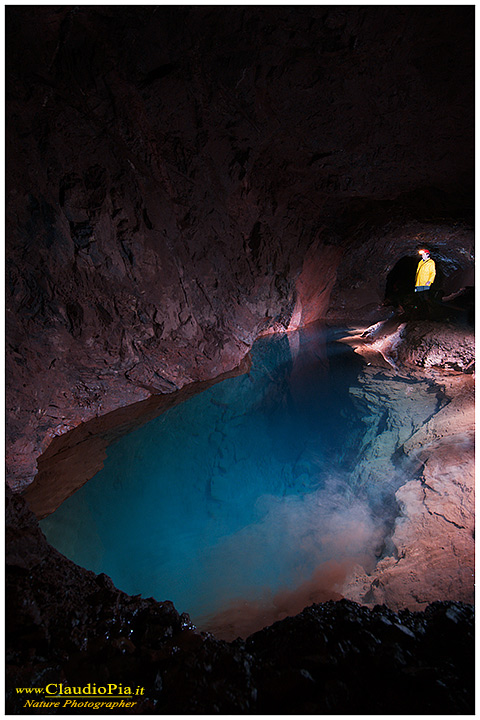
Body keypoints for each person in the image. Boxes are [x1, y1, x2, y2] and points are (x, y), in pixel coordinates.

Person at [414, 248, 436, 318]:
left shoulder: (431, 262)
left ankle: (430, 312)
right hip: (419, 283)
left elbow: (433, 273)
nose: (422, 256)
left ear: (427, 255)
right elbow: (417, 272)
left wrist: (430, 281)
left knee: (426, 297)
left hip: (426, 283)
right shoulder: (420, 262)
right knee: (420, 297)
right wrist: (416, 282)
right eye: (422, 255)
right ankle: (422, 312)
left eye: (423, 254)